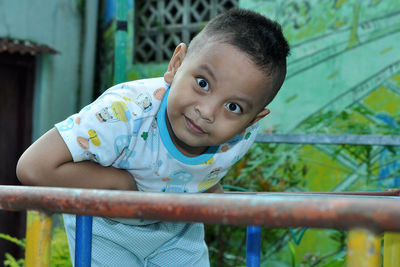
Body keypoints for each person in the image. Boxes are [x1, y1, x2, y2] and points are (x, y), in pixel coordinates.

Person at [17, 8, 290, 266]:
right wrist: (119, 185)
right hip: (107, 225)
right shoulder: (125, 111)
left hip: (178, 230)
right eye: (203, 83)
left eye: (233, 107)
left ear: (252, 120)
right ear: (176, 63)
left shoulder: (240, 136)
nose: (206, 113)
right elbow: (33, 166)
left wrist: (209, 191)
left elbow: (197, 171)